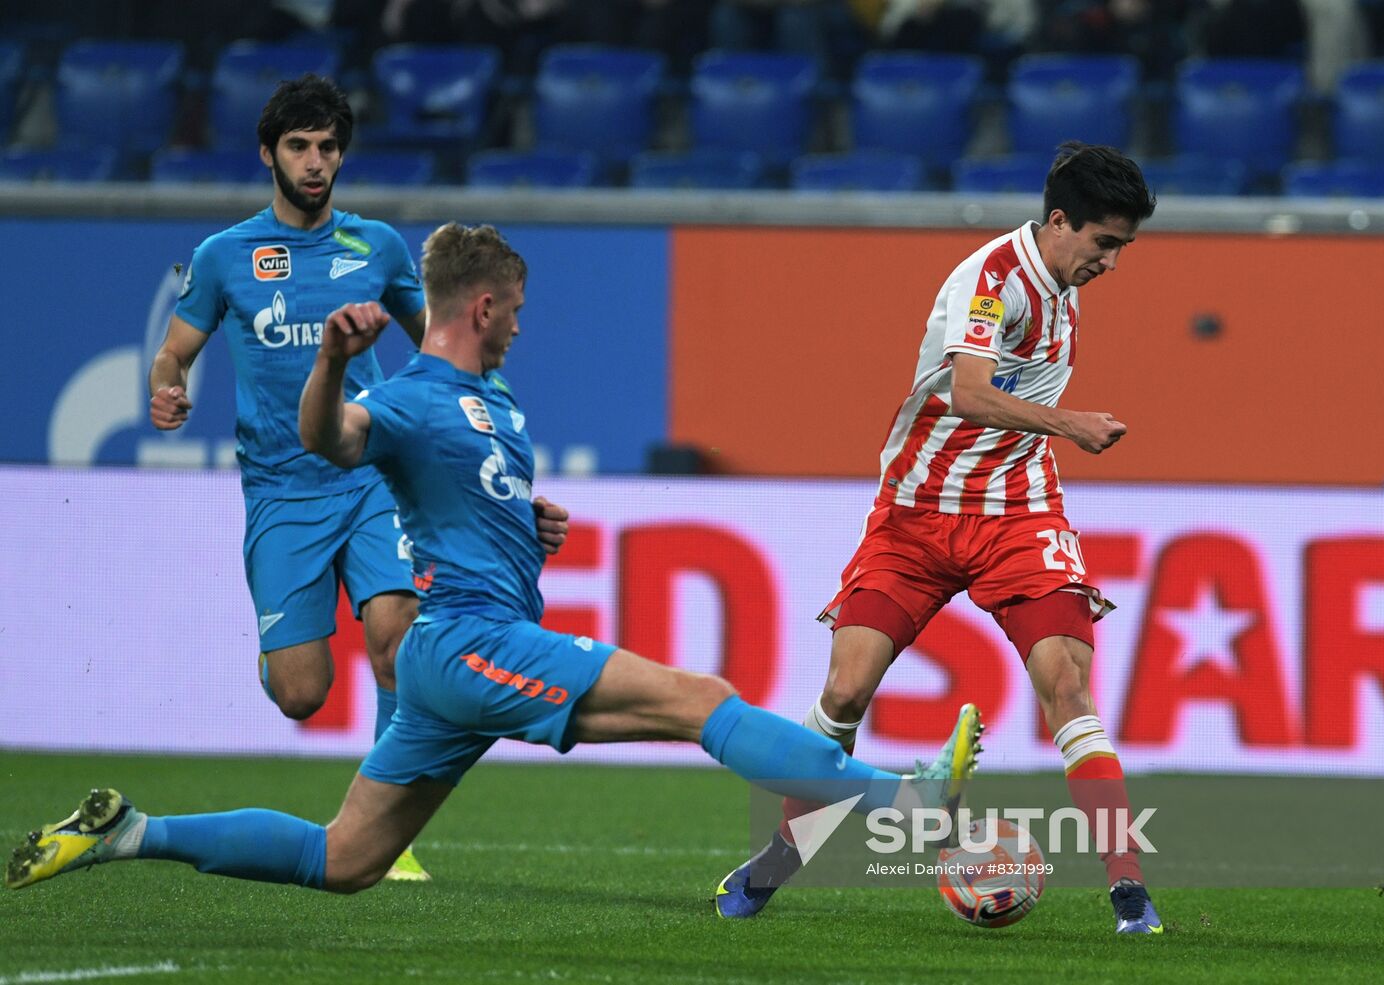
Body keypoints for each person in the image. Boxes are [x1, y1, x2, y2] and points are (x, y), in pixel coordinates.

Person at [5, 223, 981, 898]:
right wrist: (333, 361)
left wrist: (528, 521)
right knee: (699, 698)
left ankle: (130, 830)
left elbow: (459, 497)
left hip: (452, 656)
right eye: (513, 308)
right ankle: (905, 798)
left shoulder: (495, 406)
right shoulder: (413, 396)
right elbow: (329, 442)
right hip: (469, 641)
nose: (521, 322)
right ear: (479, 306)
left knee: (344, 860)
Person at [713, 142, 1164, 935]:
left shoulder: (1063, 280)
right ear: (1059, 223)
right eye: (1105, 244)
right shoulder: (989, 280)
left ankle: (1131, 894)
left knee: (1068, 685)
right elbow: (968, 391)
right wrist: (1071, 424)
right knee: (845, 691)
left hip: (1017, 513)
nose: (1113, 264)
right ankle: (781, 857)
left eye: (1122, 247)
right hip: (916, 513)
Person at [147, 74, 434, 879]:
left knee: (396, 638)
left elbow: (434, 343)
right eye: (300, 146)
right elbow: (175, 349)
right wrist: (165, 385)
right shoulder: (224, 256)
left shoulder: (375, 246)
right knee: (303, 693)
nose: (316, 162)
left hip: (370, 469)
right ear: (268, 153)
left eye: (328, 147)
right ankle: (281, 652)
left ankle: (389, 832)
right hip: (280, 490)